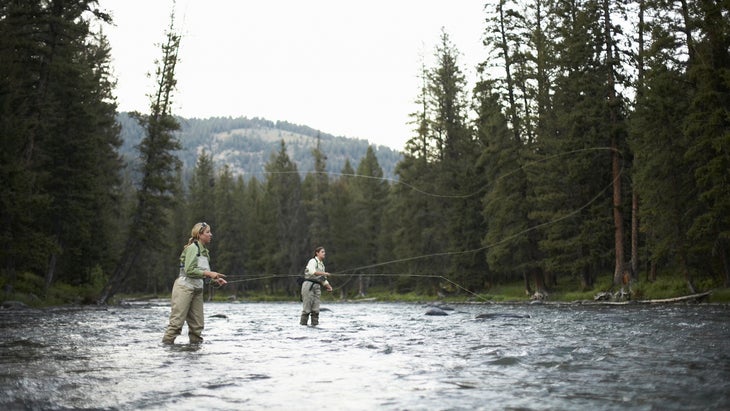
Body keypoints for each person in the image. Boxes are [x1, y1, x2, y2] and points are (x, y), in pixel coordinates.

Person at [162, 222, 226, 344]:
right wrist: (209, 273)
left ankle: (195, 355)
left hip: (197, 289)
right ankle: (167, 354)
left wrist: (216, 281)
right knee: (176, 324)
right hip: (184, 288)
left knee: (197, 327)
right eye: (208, 232)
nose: (211, 235)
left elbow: (204, 276)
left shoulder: (205, 252)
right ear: (200, 234)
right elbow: (189, 270)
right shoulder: (193, 248)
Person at [300, 246, 332, 326]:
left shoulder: (322, 265)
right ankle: (303, 327)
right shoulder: (313, 261)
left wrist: (328, 286)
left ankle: (315, 327)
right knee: (306, 310)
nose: (324, 253)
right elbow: (312, 272)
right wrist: (325, 273)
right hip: (308, 285)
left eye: (324, 252)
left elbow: (323, 279)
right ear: (317, 253)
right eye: (322, 252)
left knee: (316, 310)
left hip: (317, 287)